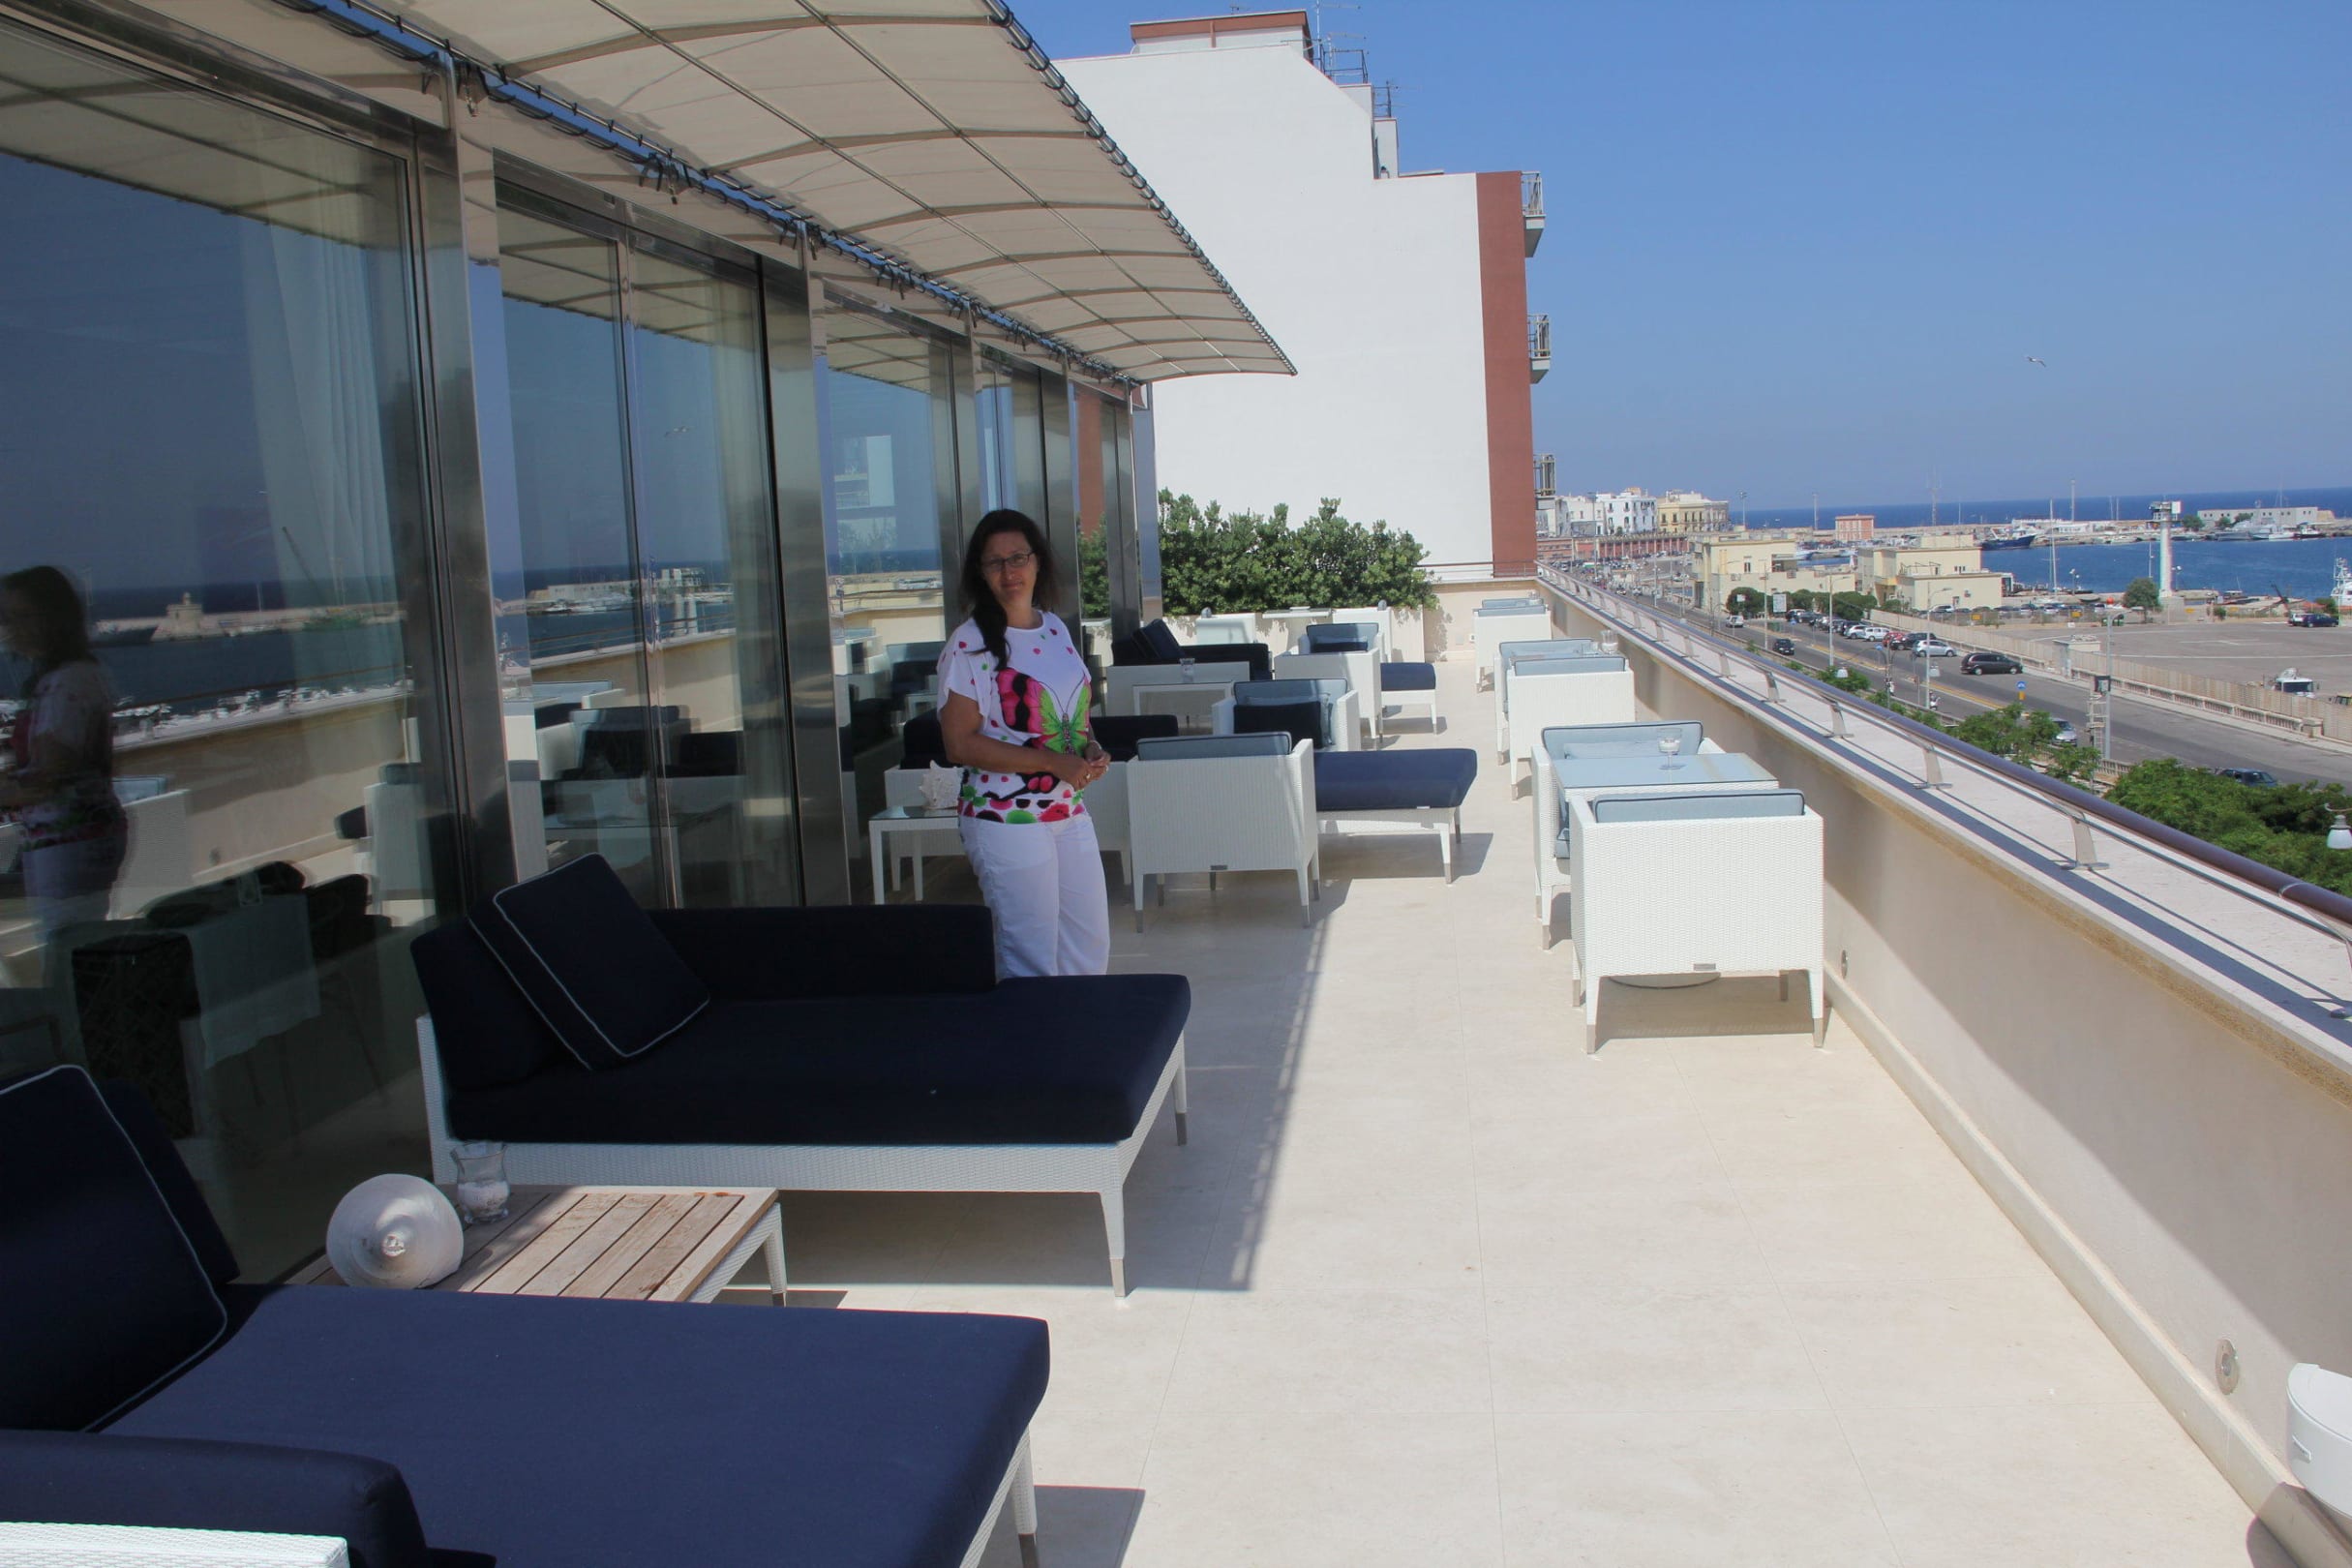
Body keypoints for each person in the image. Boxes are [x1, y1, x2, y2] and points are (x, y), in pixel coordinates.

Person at [936, 510, 1110, 977]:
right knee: (1030, 959)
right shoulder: (969, 643)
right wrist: (1051, 762)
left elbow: (1072, 713)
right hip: (1004, 817)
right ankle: (1035, 1028)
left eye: (1018, 558)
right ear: (980, 573)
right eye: (994, 562)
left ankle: (1079, 1026)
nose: (1009, 572)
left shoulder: (1055, 628)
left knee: (1088, 946)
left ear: (1037, 562)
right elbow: (958, 745)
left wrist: (1089, 748)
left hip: (1067, 809)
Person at [0, 566, 126, 943]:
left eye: (22, 617)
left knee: (67, 953)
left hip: (68, 844)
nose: (12, 628)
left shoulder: (65, 683)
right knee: (81, 947)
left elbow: (46, 779)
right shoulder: (82, 673)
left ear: (53, 619)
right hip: (84, 838)